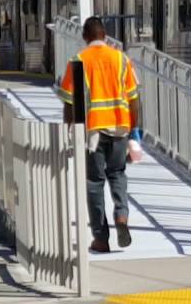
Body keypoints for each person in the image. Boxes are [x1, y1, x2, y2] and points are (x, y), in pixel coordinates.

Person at [57, 16, 141, 253]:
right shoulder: (121, 59)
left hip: (93, 131)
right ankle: (122, 218)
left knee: (94, 183)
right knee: (118, 175)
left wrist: (69, 128)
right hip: (120, 128)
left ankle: (100, 239)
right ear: (104, 35)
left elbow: (69, 101)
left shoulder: (79, 60)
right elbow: (134, 99)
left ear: (85, 36)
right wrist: (133, 131)